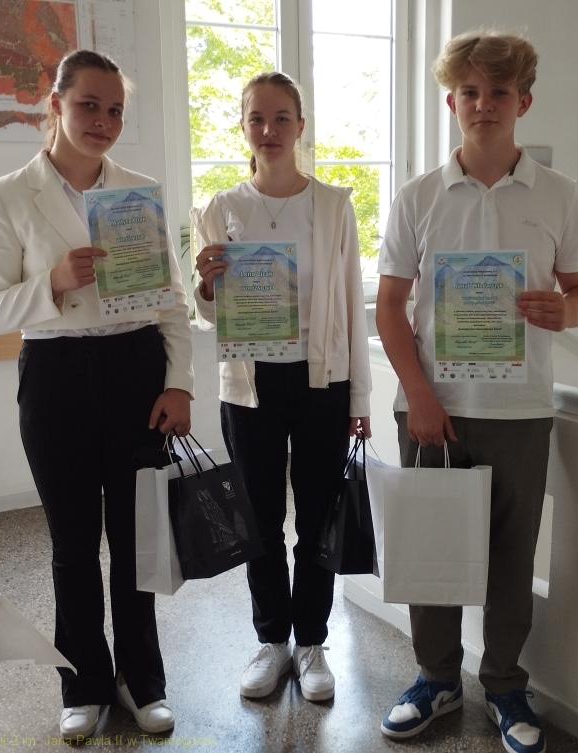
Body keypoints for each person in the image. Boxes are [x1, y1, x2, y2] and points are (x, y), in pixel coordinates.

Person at [376, 30, 578, 753]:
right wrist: (420, 394)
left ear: (522, 102)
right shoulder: (417, 197)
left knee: (510, 558)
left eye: (499, 91)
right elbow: (390, 306)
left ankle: (503, 683)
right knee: (431, 551)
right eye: (469, 91)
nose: (483, 104)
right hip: (433, 409)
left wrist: (568, 311)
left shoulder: (560, 195)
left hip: (520, 408)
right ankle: (437, 678)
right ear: (451, 102)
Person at [0, 50, 193, 738]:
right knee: (72, 544)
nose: (103, 121)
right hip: (55, 372)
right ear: (55, 105)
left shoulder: (138, 190)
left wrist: (179, 382)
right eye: (89, 105)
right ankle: (83, 682)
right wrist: (53, 283)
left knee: (135, 540)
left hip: (135, 368)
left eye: (115, 109)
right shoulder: (10, 194)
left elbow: (172, 300)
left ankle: (142, 679)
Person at [192, 72, 371, 704]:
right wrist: (206, 286)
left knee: (317, 518)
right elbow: (208, 314)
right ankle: (271, 640)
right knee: (260, 520)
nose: (269, 131)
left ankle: (312, 642)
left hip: (321, 380)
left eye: (281, 119)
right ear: (243, 126)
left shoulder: (333, 205)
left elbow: (351, 305)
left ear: (300, 125)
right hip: (250, 385)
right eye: (257, 119)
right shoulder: (219, 208)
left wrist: (358, 399)